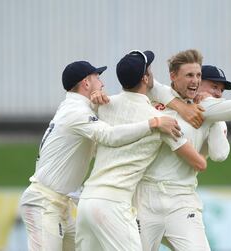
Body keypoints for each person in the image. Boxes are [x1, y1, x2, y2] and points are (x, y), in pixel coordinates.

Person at [19, 61, 183, 251]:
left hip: (61, 204)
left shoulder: (76, 107)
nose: (102, 83)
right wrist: (153, 122)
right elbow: (109, 136)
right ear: (86, 83)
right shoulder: (77, 112)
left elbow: (100, 145)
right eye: (97, 77)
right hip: (43, 203)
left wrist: (98, 106)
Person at [75, 50, 207, 251]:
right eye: (150, 70)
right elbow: (199, 163)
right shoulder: (161, 121)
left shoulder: (104, 105)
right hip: (114, 204)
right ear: (145, 78)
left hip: (86, 201)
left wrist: (95, 97)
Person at [135, 44, 231, 251]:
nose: (195, 81)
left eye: (198, 75)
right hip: (144, 196)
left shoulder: (208, 108)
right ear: (173, 76)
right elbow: (144, 78)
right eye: (190, 75)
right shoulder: (157, 95)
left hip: (181, 199)